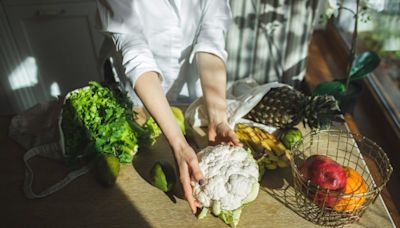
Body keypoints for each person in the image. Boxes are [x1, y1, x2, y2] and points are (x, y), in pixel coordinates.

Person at [96, 0, 240, 214]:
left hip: (188, 82)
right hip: (137, 92)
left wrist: (218, 119)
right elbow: (136, 55)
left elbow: (211, 41)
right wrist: (179, 146)